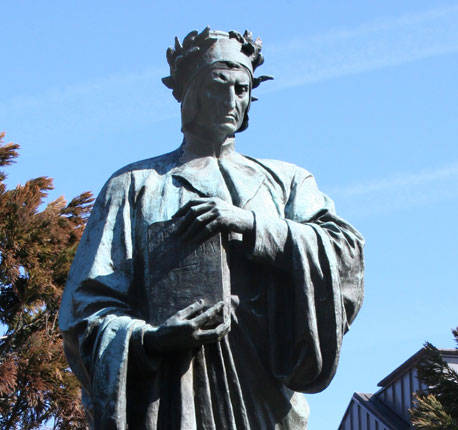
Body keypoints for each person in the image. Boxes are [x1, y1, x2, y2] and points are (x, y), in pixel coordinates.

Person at [59, 28, 364, 429]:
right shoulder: (134, 186)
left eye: (242, 89)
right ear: (188, 93)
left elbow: (344, 255)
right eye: (218, 86)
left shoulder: (288, 182)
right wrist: (151, 339)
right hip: (173, 393)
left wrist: (251, 225)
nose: (231, 100)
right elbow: (86, 309)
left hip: (266, 394)